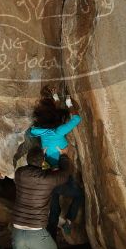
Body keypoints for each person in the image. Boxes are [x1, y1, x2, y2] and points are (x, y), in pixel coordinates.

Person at [8, 146, 73, 249]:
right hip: (36, 233)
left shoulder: (20, 173)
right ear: (42, 160)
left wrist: (42, 160)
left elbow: (36, 173)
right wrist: (64, 156)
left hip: (18, 230)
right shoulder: (48, 179)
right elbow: (65, 174)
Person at [29, 91, 85, 236]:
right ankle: (69, 221)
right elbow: (77, 118)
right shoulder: (59, 131)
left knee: (54, 211)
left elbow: (31, 132)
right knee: (79, 195)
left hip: (48, 178)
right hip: (61, 173)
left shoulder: (39, 131)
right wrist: (70, 105)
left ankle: (51, 236)